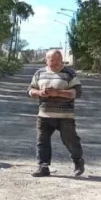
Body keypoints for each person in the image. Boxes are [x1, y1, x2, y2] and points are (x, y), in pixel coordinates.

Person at [27, 49, 85, 177]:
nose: (56, 63)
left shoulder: (69, 73)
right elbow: (30, 90)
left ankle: (78, 161)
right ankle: (43, 166)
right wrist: (39, 93)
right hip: (44, 114)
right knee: (42, 141)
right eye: (52, 60)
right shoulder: (39, 73)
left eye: (59, 60)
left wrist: (58, 93)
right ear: (46, 60)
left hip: (65, 116)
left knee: (70, 140)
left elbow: (78, 92)